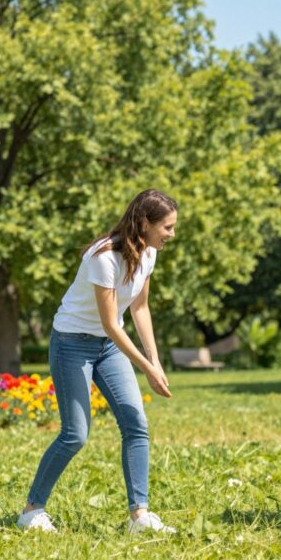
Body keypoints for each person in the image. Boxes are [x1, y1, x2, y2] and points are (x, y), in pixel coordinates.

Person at [17, 190, 178, 534]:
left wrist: (156, 360)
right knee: (75, 434)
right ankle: (31, 511)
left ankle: (139, 516)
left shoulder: (149, 253)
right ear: (145, 223)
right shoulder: (103, 256)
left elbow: (140, 308)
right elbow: (110, 323)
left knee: (136, 424)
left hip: (109, 347)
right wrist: (146, 369)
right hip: (71, 344)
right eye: (167, 227)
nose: (172, 234)